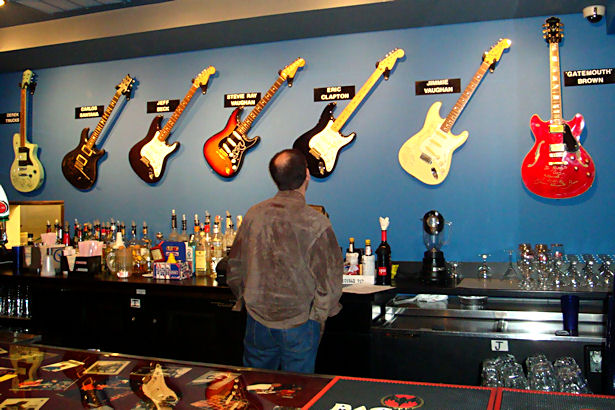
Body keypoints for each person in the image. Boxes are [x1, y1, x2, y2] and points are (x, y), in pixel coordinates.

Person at [227, 149, 343, 374]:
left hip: (256, 320)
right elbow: (330, 281)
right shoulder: (316, 223)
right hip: (300, 323)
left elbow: (235, 267)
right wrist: (316, 319)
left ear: (275, 177)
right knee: (296, 394)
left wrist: (246, 300)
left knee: (255, 391)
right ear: (307, 175)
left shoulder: (254, 215)